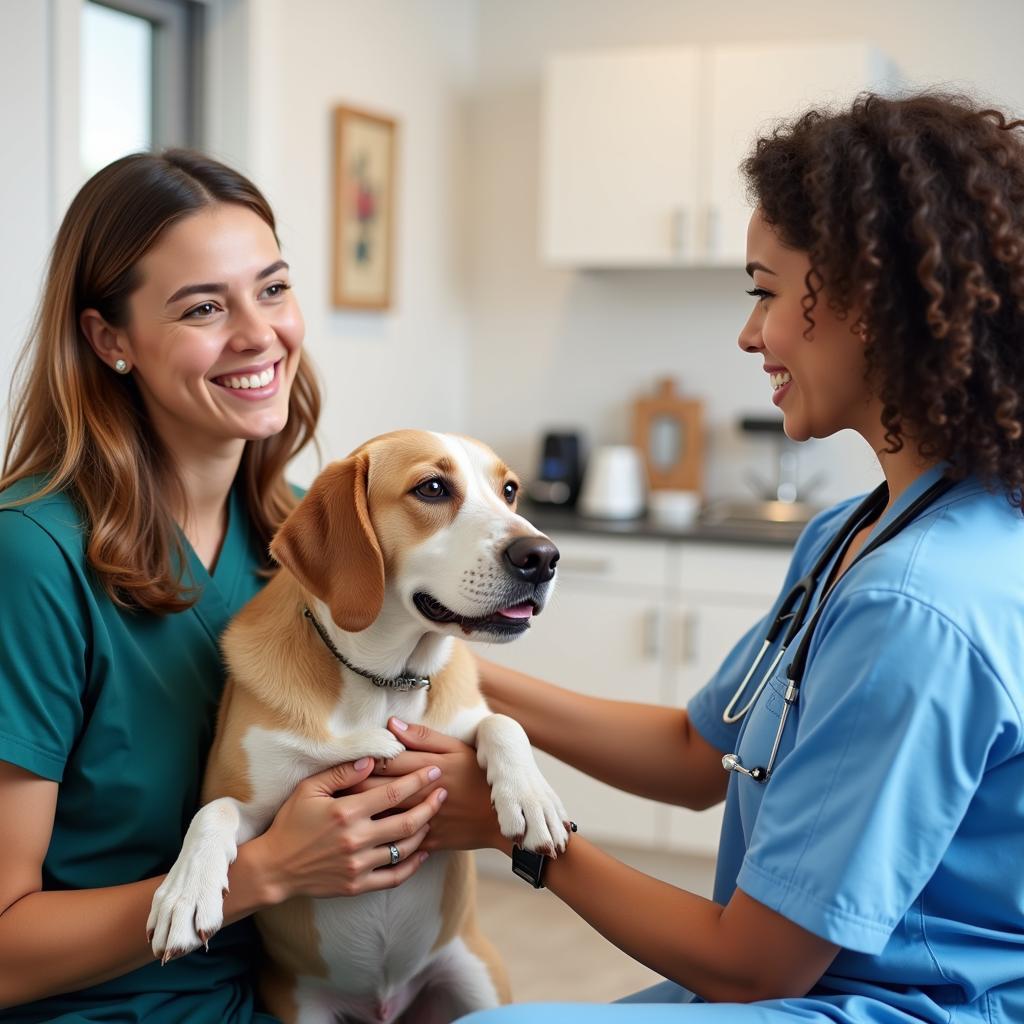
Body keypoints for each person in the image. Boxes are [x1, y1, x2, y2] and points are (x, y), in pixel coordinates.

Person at [367, 92, 1024, 1023]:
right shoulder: (856, 532)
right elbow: (693, 754)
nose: (750, 334)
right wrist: (439, 662)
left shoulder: (916, 607)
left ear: (868, 302)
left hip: (898, 1005)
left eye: (763, 290)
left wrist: (518, 833)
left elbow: (755, 971)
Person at [0, 151, 446, 1022]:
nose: (257, 334)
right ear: (109, 339)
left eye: (272, 289)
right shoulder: (33, 558)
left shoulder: (295, 543)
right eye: (204, 307)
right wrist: (270, 871)